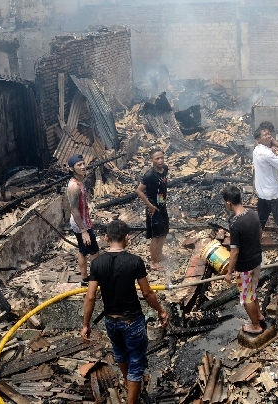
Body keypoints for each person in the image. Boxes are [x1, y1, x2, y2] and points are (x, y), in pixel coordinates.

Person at [81, 220, 169, 404]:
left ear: (106, 238)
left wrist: (86, 324)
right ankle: (132, 395)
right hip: (132, 321)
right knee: (136, 364)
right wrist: (160, 311)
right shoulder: (135, 261)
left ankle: (130, 385)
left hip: (111, 321)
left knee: (120, 354)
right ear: (127, 238)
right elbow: (147, 293)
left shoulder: (97, 263)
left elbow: (90, 297)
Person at [221, 185, 265, 334]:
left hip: (244, 266)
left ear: (228, 203)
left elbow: (234, 252)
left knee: (246, 297)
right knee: (253, 290)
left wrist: (228, 272)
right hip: (257, 259)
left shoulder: (235, 223)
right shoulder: (252, 213)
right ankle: (258, 315)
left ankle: (255, 325)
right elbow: (260, 234)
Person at [135, 148, 170, 271]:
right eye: (157, 159)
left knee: (163, 232)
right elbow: (139, 191)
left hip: (162, 205)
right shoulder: (149, 175)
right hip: (153, 208)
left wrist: (163, 200)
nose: (160, 161)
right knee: (156, 236)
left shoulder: (165, 169)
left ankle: (159, 254)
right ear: (152, 160)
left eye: (162, 157)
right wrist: (149, 205)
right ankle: (154, 262)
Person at [67, 154, 99, 286]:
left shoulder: (80, 181)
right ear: (71, 169)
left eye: (83, 163)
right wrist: (83, 230)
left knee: (82, 250)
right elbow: (74, 210)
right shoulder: (74, 186)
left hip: (83, 221)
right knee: (94, 251)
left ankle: (85, 279)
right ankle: (95, 279)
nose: (83, 167)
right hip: (81, 224)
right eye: (78, 165)